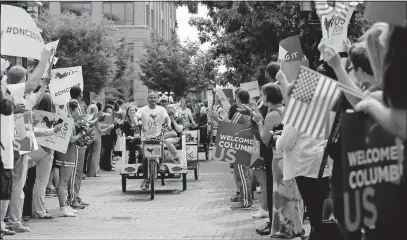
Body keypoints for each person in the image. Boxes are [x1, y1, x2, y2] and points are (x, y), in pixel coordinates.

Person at [276, 71, 332, 240]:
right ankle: (322, 230)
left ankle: (318, 232)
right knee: (322, 199)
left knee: (312, 203)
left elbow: (286, 143)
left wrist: (277, 138)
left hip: (305, 165)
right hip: (321, 162)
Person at [6, 47, 51, 233]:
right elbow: (34, 93)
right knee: (18, 184)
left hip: (20, 142)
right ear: (23, 80)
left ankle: (12, 218)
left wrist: (45, 82)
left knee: (17, 183)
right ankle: (14, 220)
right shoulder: (17, 97)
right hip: (19, 143)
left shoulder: (18, 98)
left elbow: (36, 96)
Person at [31, 94, 63, 219]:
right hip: (46, 151)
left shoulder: (34, 114)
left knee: (34, 180)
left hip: (34, 148)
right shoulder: (51, 117)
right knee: (41, 181)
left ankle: (36, 207)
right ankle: (39, 209)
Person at [135, 92, 174, 190]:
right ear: (148, 99)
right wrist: (137, 123)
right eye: (151, 98)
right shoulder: (143, 109)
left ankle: (160, 164)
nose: (153, 99)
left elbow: (167, 118)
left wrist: (168, 125)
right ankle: (145, 180)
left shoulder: (161, 109)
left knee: (160, 149)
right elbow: (136, 117)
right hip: (146, 137)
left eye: (154, 98)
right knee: (144, 157)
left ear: (157, 99)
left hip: (158, 135)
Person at [55, 99, 85, 217]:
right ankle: (63, 207)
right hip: (66, 154)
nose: (79, 112)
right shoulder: (67, 120)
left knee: (65, 181)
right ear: (72, 109)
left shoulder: (68, 119)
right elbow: (71, 139)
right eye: (77, 109)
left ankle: (65, 205)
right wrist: (81, 134)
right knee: (63, 181)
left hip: (67, 153)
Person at [0, 80, 17, 236]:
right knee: (5, 191)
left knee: (6, 191)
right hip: (4, 157)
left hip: (6, 154)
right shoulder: (6, 107)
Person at [100, 105, 121, 171]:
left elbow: (117, 126)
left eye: (110, 111)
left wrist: (116, 125)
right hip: (106, 136)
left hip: (113, 136)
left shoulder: (114, 118)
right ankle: (107, 166)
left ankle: (106, 165)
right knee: (107, 151)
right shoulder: (103, 118)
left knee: (109, 150)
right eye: (107, 111)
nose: (109, 112)